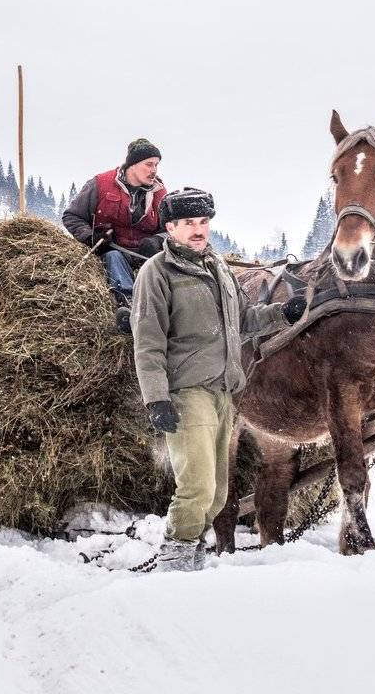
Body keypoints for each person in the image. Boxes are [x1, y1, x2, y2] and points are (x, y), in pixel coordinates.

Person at [130, 187, 308, 572]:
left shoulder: (220, 270)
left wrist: (282, 314)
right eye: (189, 223)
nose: (198, 230)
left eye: (204, 222)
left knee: (218, 492)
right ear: (171, 227)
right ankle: (175, 559)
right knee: (196, 486)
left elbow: (244, 322)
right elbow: (147, 343)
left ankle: (191, 556)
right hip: (186, 391)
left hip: (224, 392)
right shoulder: (157, 274)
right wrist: (156, 399)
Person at [61, 138, 167, 332]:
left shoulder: (160, 193)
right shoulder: (100, 184)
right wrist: (91, 237)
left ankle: (165, 312)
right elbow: (72, 216)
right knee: (113, 257)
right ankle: (130, 305)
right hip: (114, 251)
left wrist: (157, 240)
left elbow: (171, 229)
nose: (154, 170)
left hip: (145, 255)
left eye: (157, 165)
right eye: (149, 164)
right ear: (132, 165)